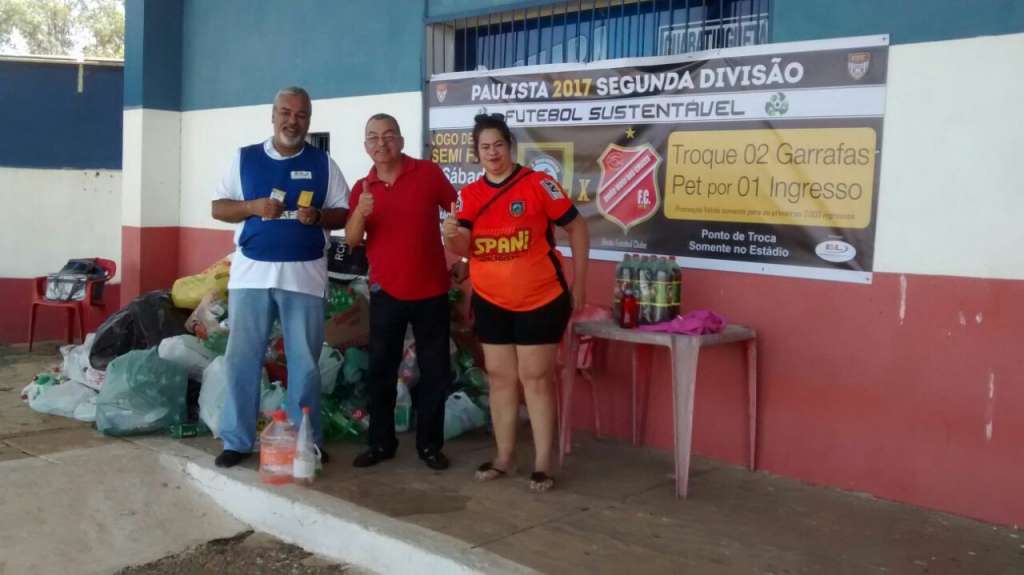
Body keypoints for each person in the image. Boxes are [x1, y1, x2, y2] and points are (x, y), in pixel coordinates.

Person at [443, 113, 589, 491]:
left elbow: (577, 227)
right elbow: (464, 247)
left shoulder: (538, 184)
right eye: (485, 147)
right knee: (501, 380)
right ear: (476, 154)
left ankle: (543, 462)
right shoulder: (469, 195)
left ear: (510, 146)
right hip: (492, 301)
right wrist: (449, 236)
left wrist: (581, 282)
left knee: (536, 379)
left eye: (499, 145)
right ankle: (504, 456)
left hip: (541, 299)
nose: (493, 153)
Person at [210, 86, 350, 468]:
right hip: (250, 276)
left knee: (304, 364)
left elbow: (345, 212)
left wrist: (319, 217)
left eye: (301, 114)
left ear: (308, 120)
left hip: (304, 278)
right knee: (242, 359)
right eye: (286, 112)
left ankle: (305, 441)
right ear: (273, 115)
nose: (293, 120)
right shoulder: (245, 159)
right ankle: (237, 440)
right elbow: (218, 207)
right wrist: (252, 207)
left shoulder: (324, 164)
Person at [345, 113, 461, 470]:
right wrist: (361, 214)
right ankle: (381, 443)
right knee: (381, 370)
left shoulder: (427, 173)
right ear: (366, 146)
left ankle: (430, 446)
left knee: (435, 371)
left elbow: (457, 211)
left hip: (431, 291)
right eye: (373, 138)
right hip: (385, 292)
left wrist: (456, 248)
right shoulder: (362, 188)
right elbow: (351, 241)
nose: (382, 143)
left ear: (401, 140)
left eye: (389, 135)